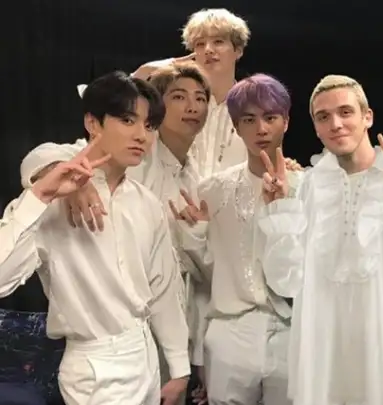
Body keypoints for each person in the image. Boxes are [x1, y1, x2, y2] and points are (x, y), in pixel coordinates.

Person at [255, 74, 383, 405]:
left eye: (345, 112)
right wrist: (280, 210)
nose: (336, 124)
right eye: (323, 117)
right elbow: (285, 280)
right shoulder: (310, 185)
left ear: (367, 117)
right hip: (323, 360)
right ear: (315, 128)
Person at [19, 62, 213, 404]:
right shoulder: (58, 192)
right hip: (94, 363)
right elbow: (38, 157)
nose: (141, 135)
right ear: (93, 123)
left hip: (145, 355)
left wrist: (179, 368)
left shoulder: (147, 201)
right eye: (127, 120)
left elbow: (163, 288)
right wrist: (53, 182)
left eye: (149, 125)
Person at [172, 73, 302, 405]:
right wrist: (195, 234)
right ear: (236, 126)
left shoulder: (308, 188)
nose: (261, 129)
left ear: (286, 122)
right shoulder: (212, 191)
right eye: (249, 119)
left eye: (270, 117)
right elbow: (205, 274)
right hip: (229, 330)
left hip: (292, 331)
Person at [133, 8, 251, 178]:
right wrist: (145, 71)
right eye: (200, 44)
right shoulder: (173, 101)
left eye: (218, 42)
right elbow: (115, 105)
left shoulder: (252, 105)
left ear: (238, 50)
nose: (208, 49)